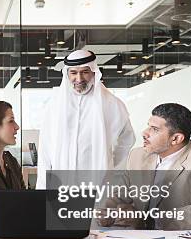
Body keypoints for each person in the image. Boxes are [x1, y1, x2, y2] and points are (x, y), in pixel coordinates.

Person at [98, 103, 191, 230]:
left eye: (155, 129)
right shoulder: (137, 155)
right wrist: (104, 213)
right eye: (148, 126)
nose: (144, 133)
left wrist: (148, 220)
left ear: (176, 138)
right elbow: (119, 195)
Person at [36, 49, 136, 189]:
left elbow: (127, 141)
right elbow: (45, 149)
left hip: (98, 185)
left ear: (94, 72)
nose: (79, 78)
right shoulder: (54, 106)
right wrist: (42, 188)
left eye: (84, 72)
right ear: (67, 74)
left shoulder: (113, 104)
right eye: (73, 73)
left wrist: (112, 170)